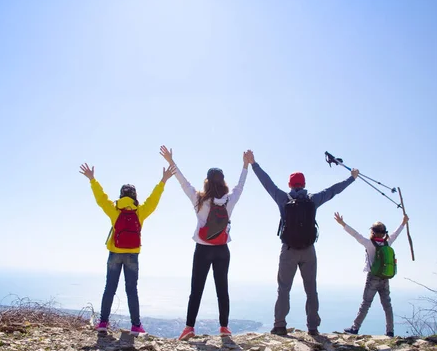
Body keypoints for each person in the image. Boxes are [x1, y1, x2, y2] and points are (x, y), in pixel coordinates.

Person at [248, 151, 358, 336]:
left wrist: (254, 164)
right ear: (304, 184)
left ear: (290, 185)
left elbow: (267, 183)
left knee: (283, 289)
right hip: (308, 251)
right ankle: (313, 327)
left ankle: (280, 325)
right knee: (311, 289)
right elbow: (333, 191)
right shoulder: (313, 200)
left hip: (289, 250)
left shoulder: (283, 199)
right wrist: (351, 178)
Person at [160, 145, 251, 341]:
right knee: (222, 289)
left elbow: (183, 182)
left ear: (207, 182)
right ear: (223, 182)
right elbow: (240, 186)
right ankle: (224, 327)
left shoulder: (199, 200)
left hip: (202, 249)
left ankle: (189, 327)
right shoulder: (229, 200)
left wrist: (170, 161)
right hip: (222, 250)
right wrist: (245, 166)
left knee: (196, 289)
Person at [79, 162, 175, 335]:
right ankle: (136, 325)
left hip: (115, 253)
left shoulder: (115, 211)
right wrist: (163, 181)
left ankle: (103, 323)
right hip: (132, 255)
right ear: (134, 196)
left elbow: (101, 198)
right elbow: (153, 200)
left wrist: (92, 179)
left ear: (121, 195)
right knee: (132, 290)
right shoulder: (140, 212)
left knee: (110, 288)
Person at [334, 212, 409, 337]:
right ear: (384, 233)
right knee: (387, 305)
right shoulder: (387, 243)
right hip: (385, 278)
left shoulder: (369, 244)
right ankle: (390, 331)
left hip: (373, 278)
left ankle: (355, 328)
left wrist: (342, 224)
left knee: (366, 303)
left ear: (373, 232)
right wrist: (403, 223)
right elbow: (395, 234)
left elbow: (355, 234)